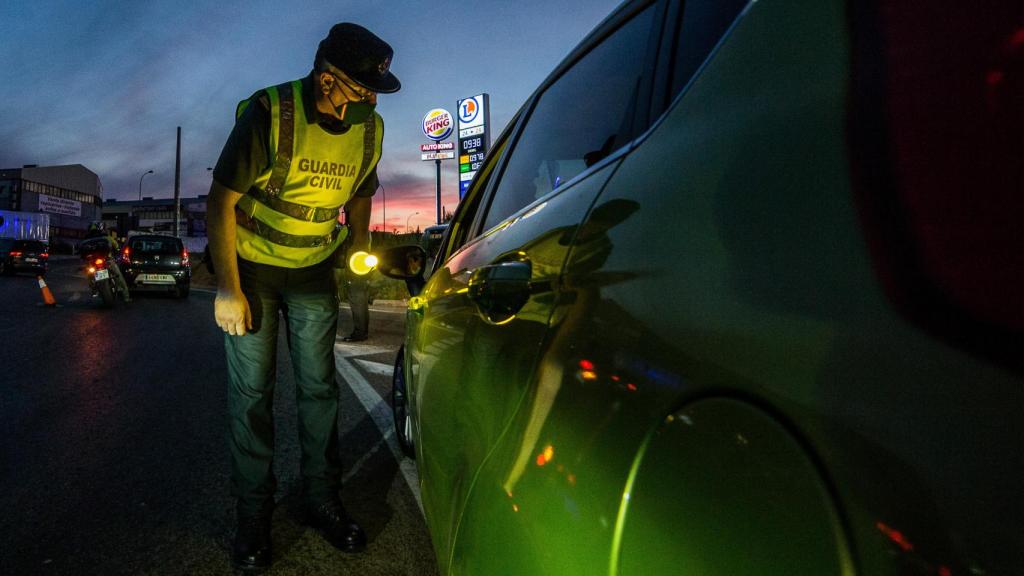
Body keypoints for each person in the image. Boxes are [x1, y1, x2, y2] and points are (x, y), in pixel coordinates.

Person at [206, 22, 400, 572]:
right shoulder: (271, 112)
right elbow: (220, 201)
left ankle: (321, 500)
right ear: (327, 78)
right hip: (253, 270)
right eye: (361, 90)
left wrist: (359, 254)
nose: (368, 102)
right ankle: (254, 519)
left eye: (374, 93)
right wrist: (228, 288)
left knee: (319, 391)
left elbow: (361, 196)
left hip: (314, 270)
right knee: (253, 396)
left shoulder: (370, 129)